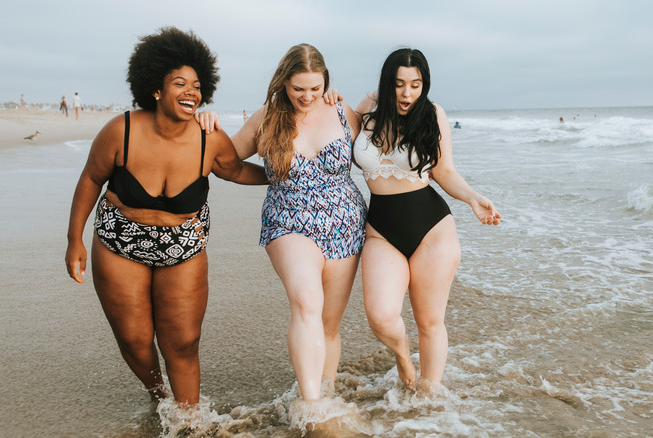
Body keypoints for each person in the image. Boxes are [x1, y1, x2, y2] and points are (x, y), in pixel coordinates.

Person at [64, 27, 267, 407]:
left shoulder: (210, 139)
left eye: (196, 85)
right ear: (156, 89)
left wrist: (282, 174)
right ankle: (161, 397)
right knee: (135, 341)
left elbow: (237, 171)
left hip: (183, 246)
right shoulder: (120, 131)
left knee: (184, 341)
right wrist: (74, 239)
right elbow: (91, 179)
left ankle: (189, 420)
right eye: (179, 83)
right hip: (119, 242)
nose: (191, 91)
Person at [198, 44, 366, 402]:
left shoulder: (342, 111)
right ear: (283, 83)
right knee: (306, 303)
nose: (307, 96)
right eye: (298, 88)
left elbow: (382, 142)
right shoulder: (267, 117)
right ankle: (311, 406)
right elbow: (226, 161)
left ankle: (328, 391)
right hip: (287, 219)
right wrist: (208, 125)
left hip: (345, 222)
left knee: (329, 324)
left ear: (326, 83)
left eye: (315, 88)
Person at [353, 48, 501, 391]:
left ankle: (428, 399)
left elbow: (444, 171)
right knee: (380, 315)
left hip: (431, 229)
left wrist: (472, 198)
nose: (407, 94)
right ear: (387, 83)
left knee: (430, 321)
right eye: (400, 84)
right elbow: (329, 122)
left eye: (416, 85)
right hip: (380, 232)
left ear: (425, 85)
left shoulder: (432, 114)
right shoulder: (368, 111)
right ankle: (403, 356)